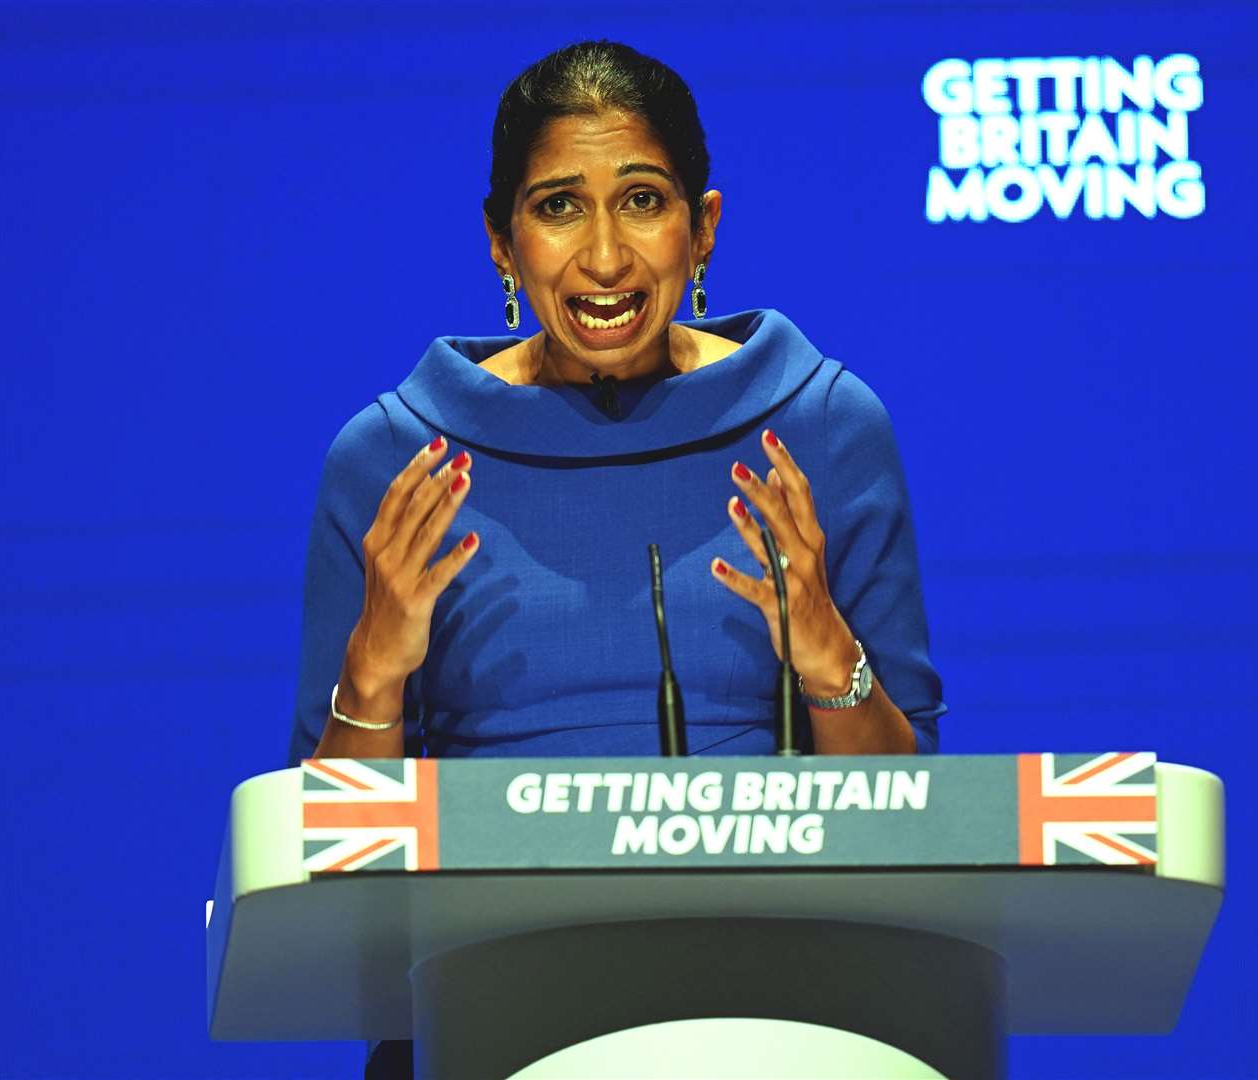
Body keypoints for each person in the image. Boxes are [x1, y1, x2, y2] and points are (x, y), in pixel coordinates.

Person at [284, 39, 945, 1077]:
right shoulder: (392, 457)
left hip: (786, 1018)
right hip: (485, 1010)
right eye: (557, 208)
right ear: (501, 245)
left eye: (641, 200)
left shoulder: (819, 427)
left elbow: (915, 820)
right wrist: (371, 673)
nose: (603, 258)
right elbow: (329, 871)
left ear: (703, 227)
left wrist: (828, 658)